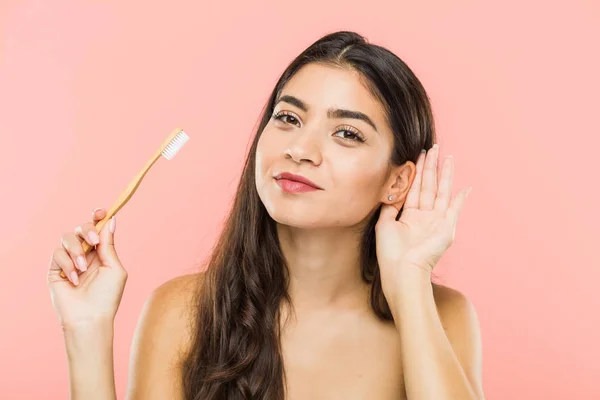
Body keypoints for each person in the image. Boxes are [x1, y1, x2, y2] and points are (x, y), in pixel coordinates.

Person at [48, 30, 484, 399]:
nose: (300, 150)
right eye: (289, 118)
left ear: (398, 181)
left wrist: (409, 283)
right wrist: (85, 330)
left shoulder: (441, 316)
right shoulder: (185, 312)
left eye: (346, 133)